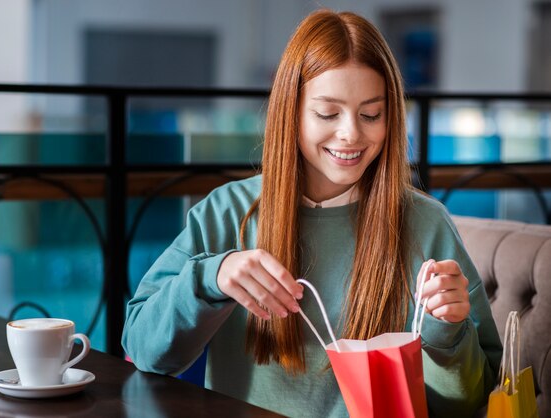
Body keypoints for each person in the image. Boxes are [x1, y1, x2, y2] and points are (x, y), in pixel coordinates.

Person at [122, 9, 502, 418]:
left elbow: (470, 401)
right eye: (327, 113)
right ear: (292, 112)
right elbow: (145, 352)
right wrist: (209, 278)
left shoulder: (426, 225)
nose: (352, 133)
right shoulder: (227, 213)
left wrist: (446, 333)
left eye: (371, 114)